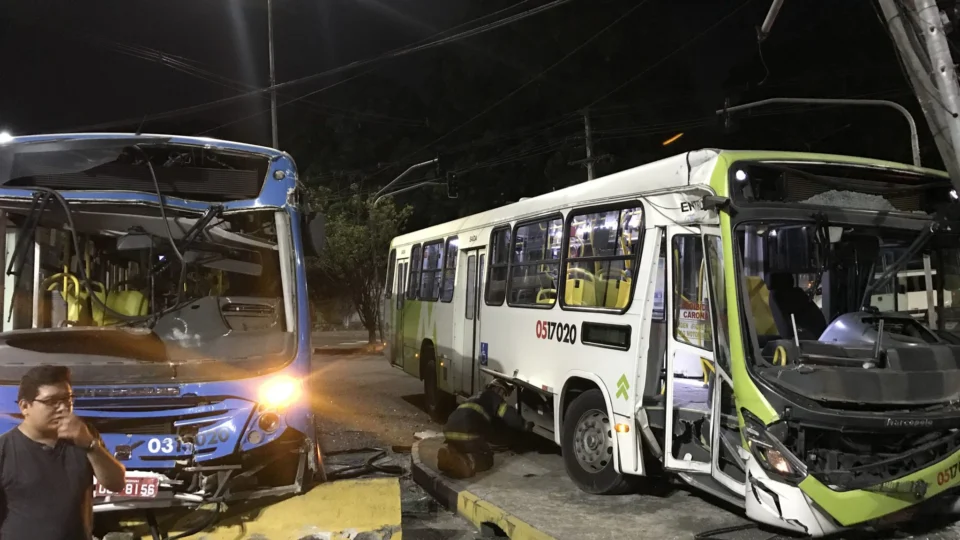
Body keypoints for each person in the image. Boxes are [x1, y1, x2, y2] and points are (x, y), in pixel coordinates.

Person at [0, 365, 126, 539]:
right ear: (25, 407)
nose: (63, 408)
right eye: (51, 402)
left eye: (67, 399)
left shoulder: (85, 437)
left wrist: (91, 445)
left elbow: (116, 483)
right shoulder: (4, 449)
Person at [437, 380, 533, 479]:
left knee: (460, 446)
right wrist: (524, 425)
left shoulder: (475, 397)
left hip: (449, 428)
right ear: (498, 389)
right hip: (467, 431)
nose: (503, 396)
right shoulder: (493, 398)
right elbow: (509, 414)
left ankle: (449, 454)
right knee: (487, 458)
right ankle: (468, 462)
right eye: (503, 392)